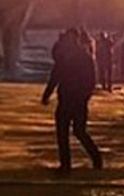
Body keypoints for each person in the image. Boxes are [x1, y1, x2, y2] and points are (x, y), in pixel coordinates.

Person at [41, 31, 102, 174]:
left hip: (78, 100)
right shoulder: (64, 57)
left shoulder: (84, 58)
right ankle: (66, 165)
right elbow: (55, 77)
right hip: (65, 99)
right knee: (62, 133)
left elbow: (90, 81)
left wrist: (84, 96)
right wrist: (47, 94)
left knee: (79, 131)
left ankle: (96, 158)